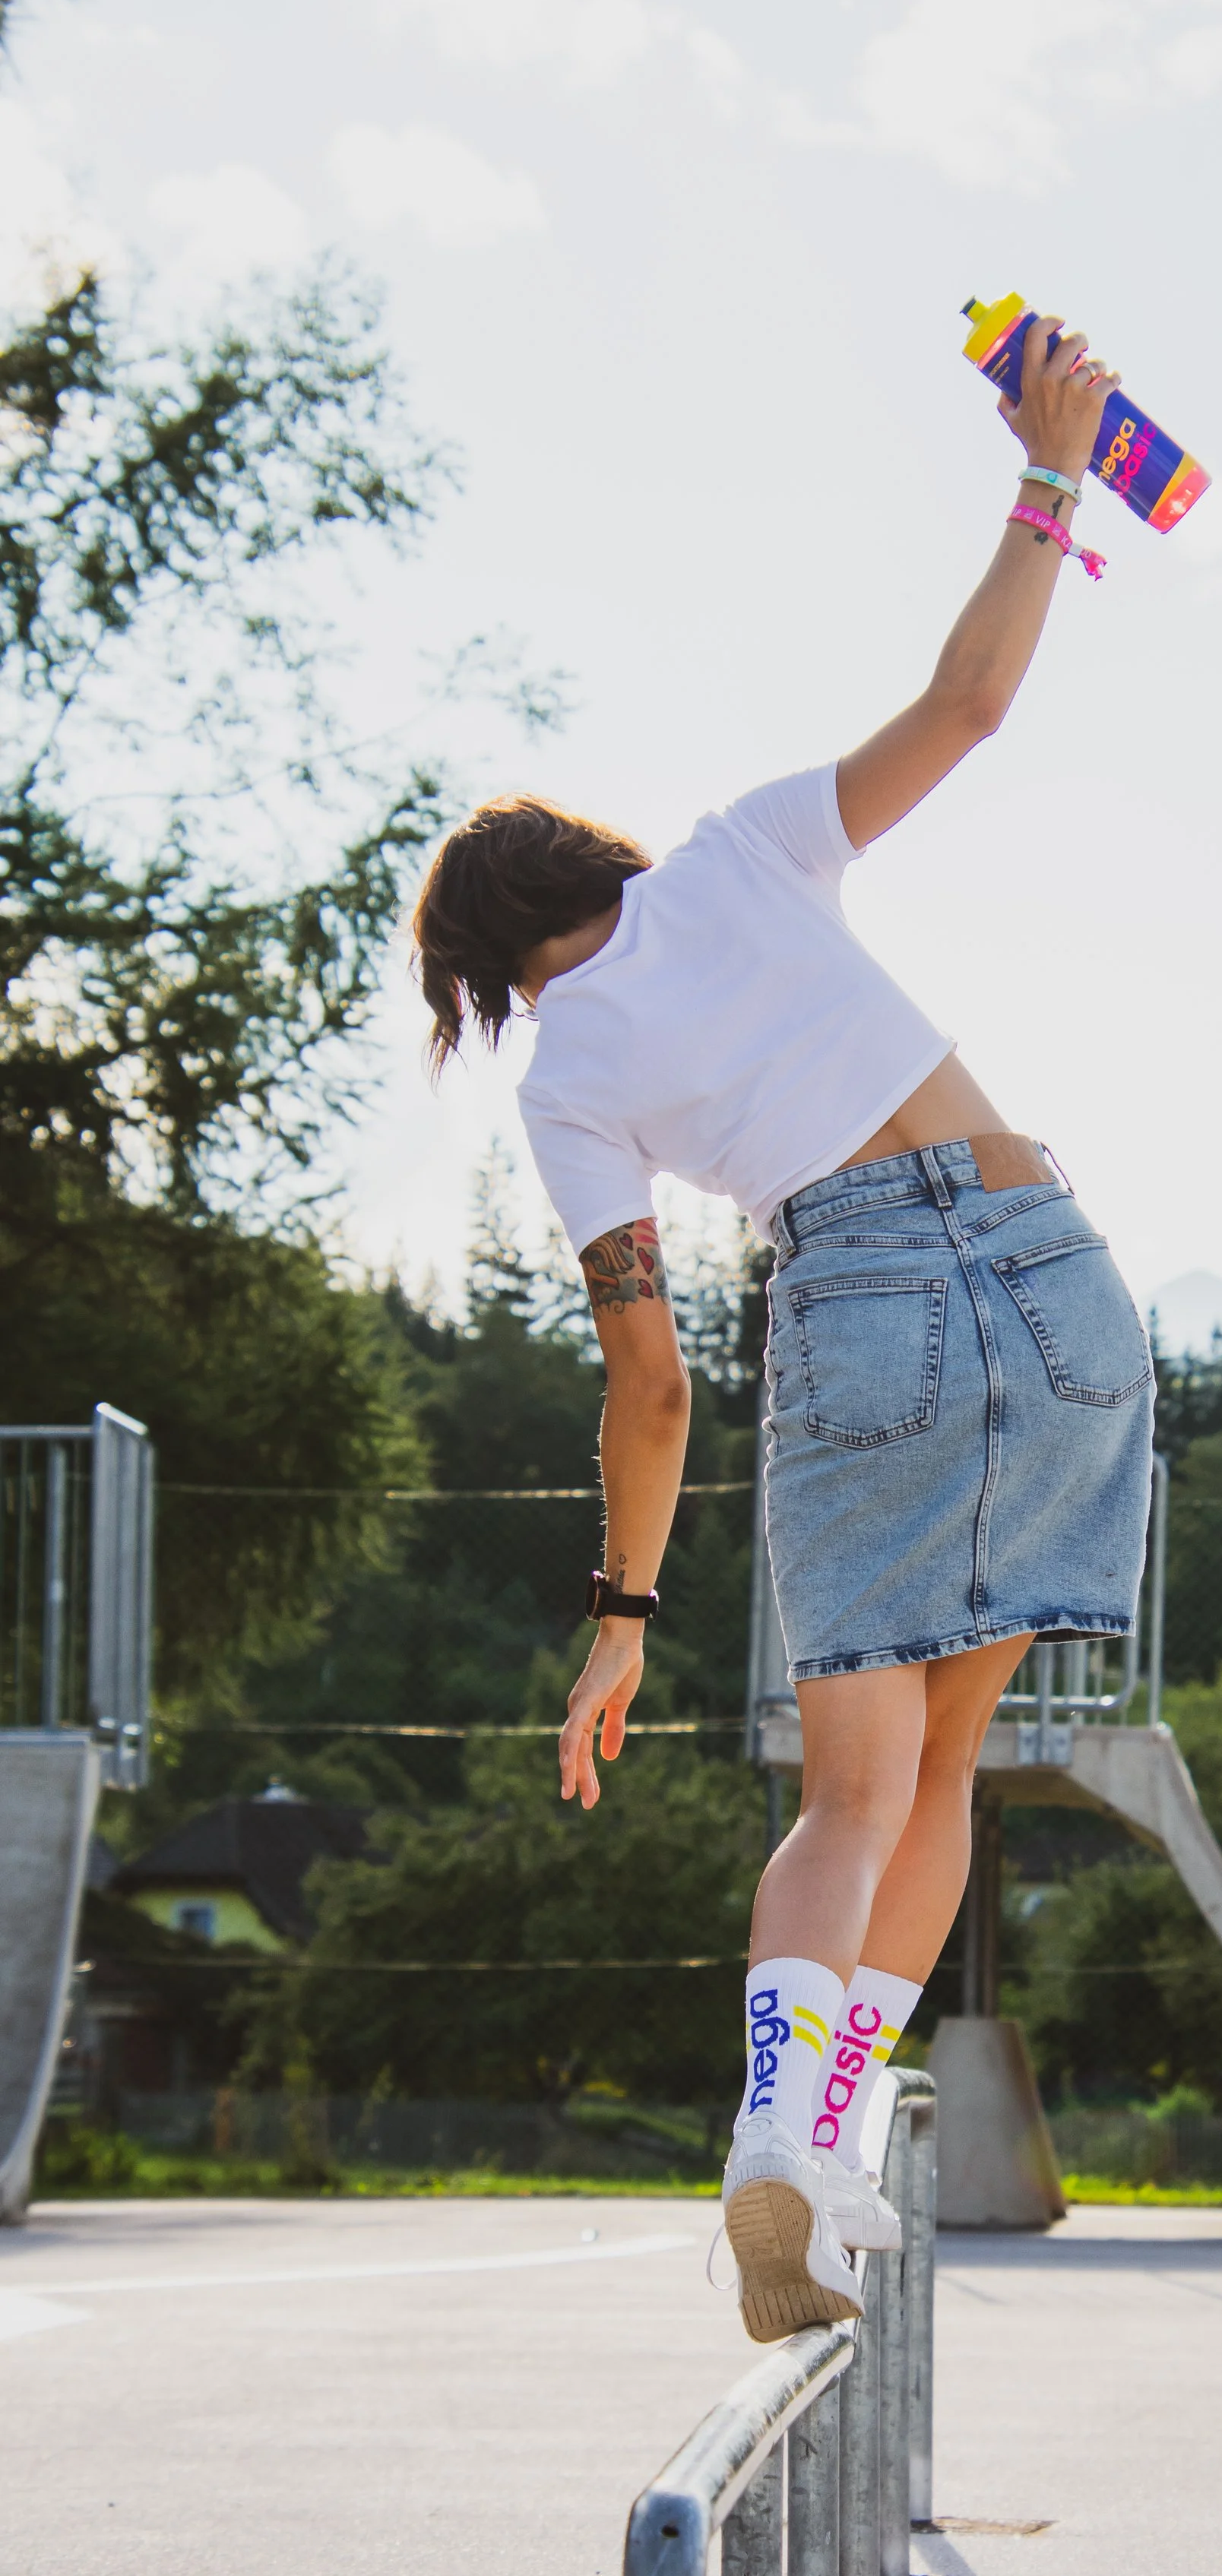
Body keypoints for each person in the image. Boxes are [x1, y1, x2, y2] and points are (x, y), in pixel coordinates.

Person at [411, 319, 1156, 2342]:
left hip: (864, 1313)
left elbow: (643, 1373)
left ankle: (784, 2145)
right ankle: (826, 2152)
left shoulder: (567, 1083)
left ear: (484, 971)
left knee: (852, 1789)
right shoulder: (749, 850)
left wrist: (621, 1612)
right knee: (951, 1772)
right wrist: (1046, 475)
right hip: (1048, 1267)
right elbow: (973, 699)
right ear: (599, 863)